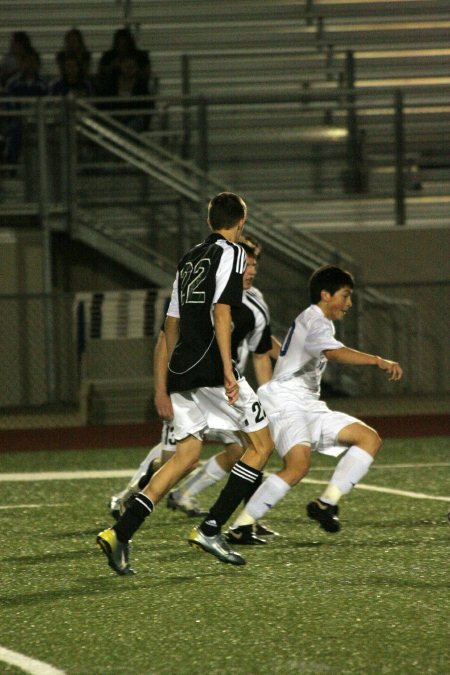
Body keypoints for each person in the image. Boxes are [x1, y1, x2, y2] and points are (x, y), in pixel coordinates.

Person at [96, 192, 274, 574]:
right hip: (210, 366)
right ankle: (212, 528)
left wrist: (161, 387)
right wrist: (227, 369)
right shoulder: (234, 253)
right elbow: (223, 310)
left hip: (179, 369)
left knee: (186, 457)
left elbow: (169, 329)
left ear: (210, 221)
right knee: (262, 444)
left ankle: (120, 534)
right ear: (240, 223)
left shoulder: (189, 259)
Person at [226, 264, 403, 542]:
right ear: (325, 294)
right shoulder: (314, 319)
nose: (349, 303)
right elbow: (334, 353)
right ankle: (241, 527)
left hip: (307, 402)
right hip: (285, 399)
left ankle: (326, 504)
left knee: (369, 439)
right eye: (345, 295)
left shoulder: (319, 321)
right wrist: (378, 360)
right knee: (297, 466)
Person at [4, 48, 48, 164]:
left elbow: (47, 103)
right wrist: (21, 117)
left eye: (33, 61)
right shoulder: (13, 83)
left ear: (38, 64)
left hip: (39, 120)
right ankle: (11, 164)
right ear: (22, 63)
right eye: (27, 61)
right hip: (18, 120)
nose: (30, 64)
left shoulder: (43, 84)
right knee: (15, 130)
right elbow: (10, 104)